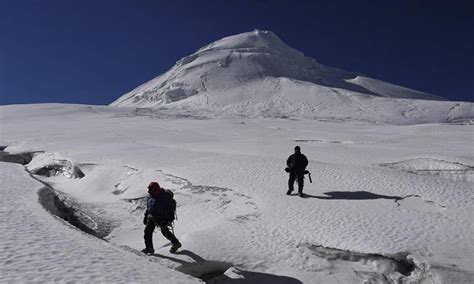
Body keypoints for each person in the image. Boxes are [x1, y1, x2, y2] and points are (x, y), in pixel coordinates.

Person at [142, 181, 181, 254]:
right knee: (147, 231)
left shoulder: (165, 198)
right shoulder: (150, 196)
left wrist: (169, 219)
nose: (149, 191)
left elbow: (171, 209)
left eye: (150, 189)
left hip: (162, 218)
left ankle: (176, 243)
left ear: (155, 190)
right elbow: (148, 208)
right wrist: (145, 216)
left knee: (165, 232)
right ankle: (149, 248)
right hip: (152, 217)